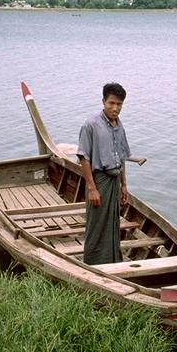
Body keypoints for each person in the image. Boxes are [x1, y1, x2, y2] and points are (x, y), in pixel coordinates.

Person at [77, 83, 131, 265]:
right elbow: (84, 158)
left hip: (115, 181)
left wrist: (124, 185)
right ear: (103, 102)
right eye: (111, 103)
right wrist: (92, 188)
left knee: (113, 224)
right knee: (96, 225)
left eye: (119, 104)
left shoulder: (119, 125)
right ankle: (92, 263)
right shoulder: (91, 125)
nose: (115, 108)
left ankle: (112, 261)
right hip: (99, 181)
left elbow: (122, 157)